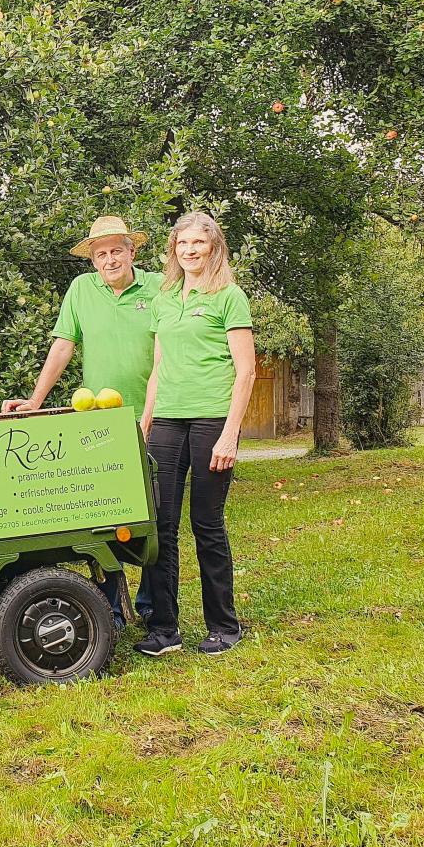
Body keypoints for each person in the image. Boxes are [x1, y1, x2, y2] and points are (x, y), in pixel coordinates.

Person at [2, 215, 162, 627]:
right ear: (92, 259)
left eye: (116, 250)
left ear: (133, 251)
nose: (109, 260)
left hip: (156, 414)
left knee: (154, 514)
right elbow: (62, 346)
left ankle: (151, 604)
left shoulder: (160, 288)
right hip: (100, 423)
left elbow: (169, 352)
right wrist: (36, 400)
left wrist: (149, 415)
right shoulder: (80, 290)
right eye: (100, 253)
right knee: (103, 516)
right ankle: (110, 609)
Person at [136, 212, 256, 657]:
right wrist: (145, 423)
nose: (189, 251)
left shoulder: (229, 296)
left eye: (198, 244)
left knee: (206, 524)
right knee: (161, 525)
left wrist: (230, 435)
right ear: (174, 250)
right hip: (167, 420)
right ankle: (165, 630)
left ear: (214, 248)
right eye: (182, 244)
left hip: (211, 420)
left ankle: (224, 627)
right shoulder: (165, 298)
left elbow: (246, 372)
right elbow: (158, 367)